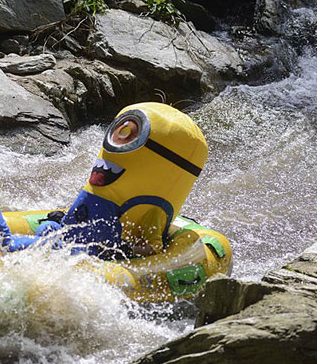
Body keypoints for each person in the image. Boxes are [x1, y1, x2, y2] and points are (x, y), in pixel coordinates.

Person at [55, 102, 209, 260]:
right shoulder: (107, 180)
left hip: (101, 252)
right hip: (76, 242)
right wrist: (65, 217)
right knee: (49, 227)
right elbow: (93, 202)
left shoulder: (153, 212)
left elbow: (153, 248)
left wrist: (124, 250)